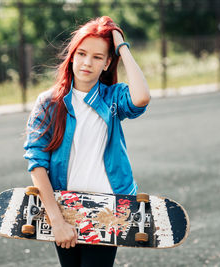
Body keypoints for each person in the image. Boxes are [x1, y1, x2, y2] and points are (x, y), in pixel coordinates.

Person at [23, 16, 150, 267]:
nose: (87, 62)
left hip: (109, 208)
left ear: (107, 63)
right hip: (65, 208)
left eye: (97, 57)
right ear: (72, 56)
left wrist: (121, 47)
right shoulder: (49, 103)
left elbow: (142, 97)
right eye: (81, 53)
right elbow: (36, 163)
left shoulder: (113, 98)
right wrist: (56, 219)